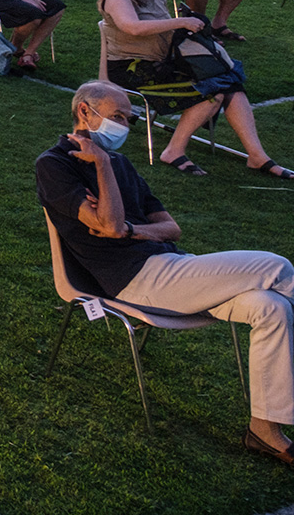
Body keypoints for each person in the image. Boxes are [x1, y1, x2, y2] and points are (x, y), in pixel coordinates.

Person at [36, 81, 294, 465]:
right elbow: (107, 226)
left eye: (130, 119)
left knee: (271, 307)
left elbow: (170, 228)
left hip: (171, 267)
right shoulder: (54, 164)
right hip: (135, 281)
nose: (125, 125)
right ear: (84, 113)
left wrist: (132, 228)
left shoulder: (122, 164)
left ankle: (264, 429)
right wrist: (103, 168)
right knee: (278, 266)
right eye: (117, 117)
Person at [97, 0, 281, 177]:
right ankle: (174, 151)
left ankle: (257, 156)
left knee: (231, 83)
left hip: (162, 62)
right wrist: (181, 21)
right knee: (212, 92)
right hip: (131, 69)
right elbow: (132, 27)